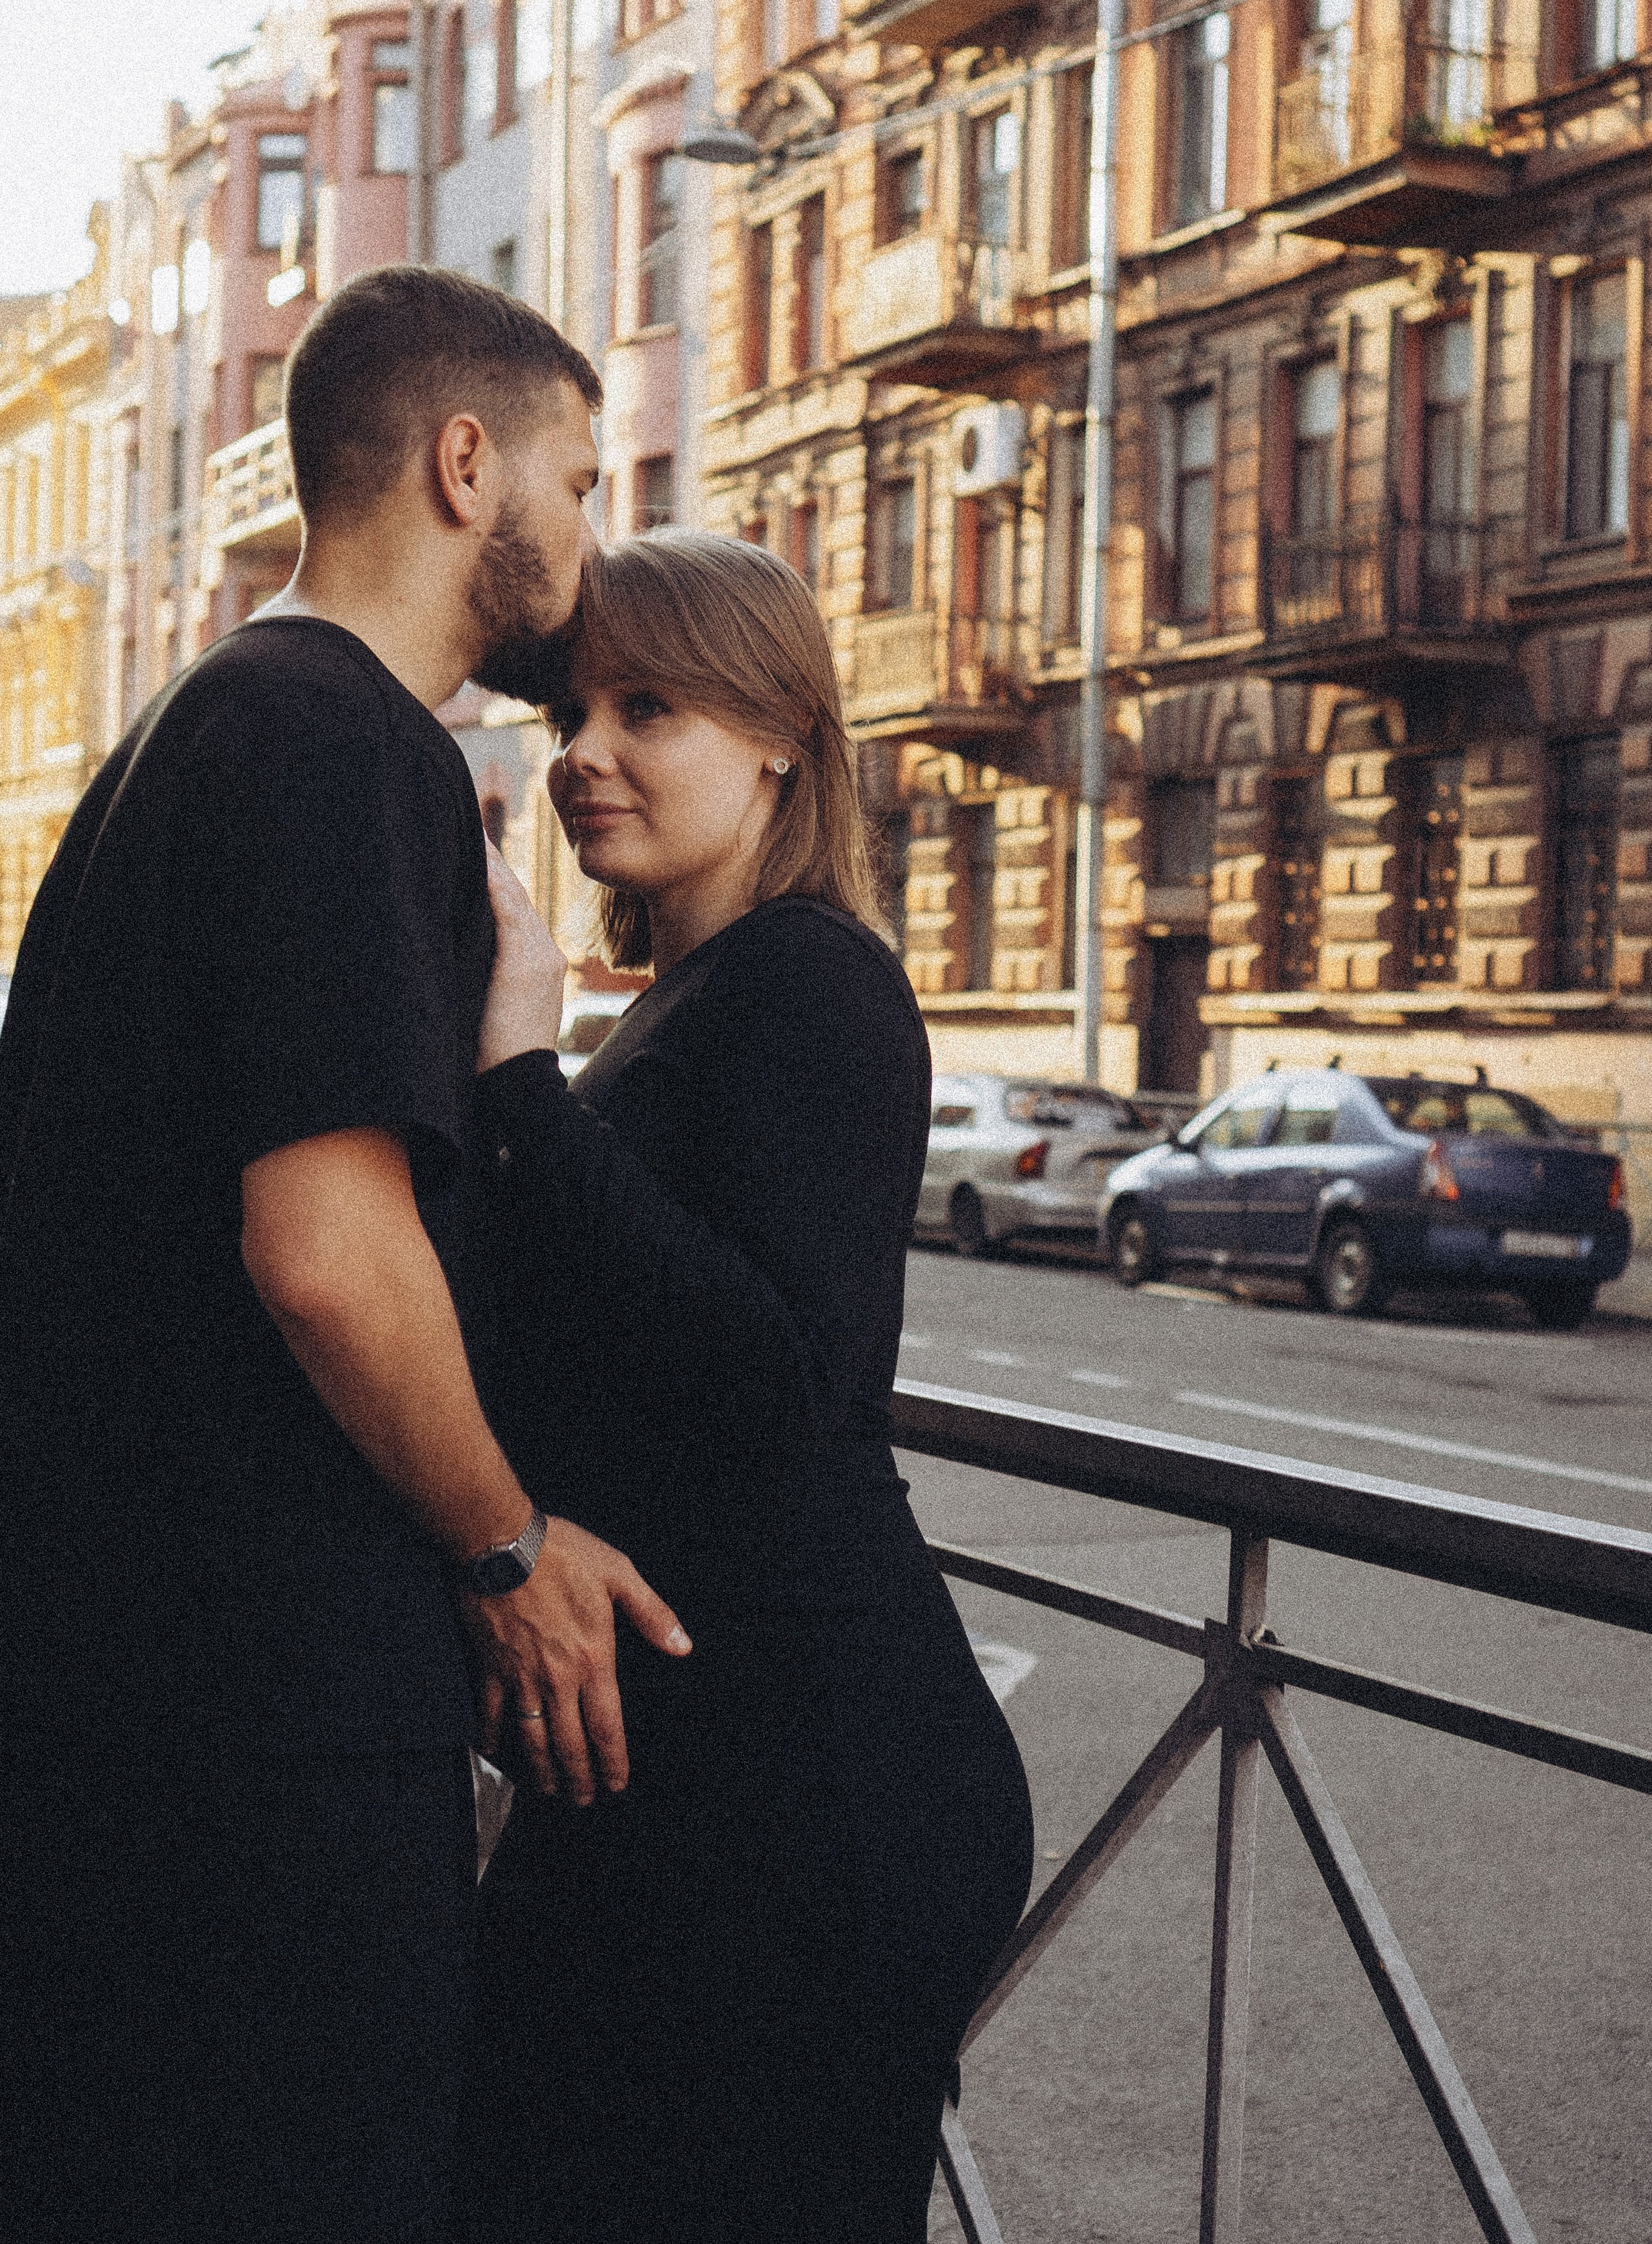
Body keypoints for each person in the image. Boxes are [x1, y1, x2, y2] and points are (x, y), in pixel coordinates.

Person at [0, 268, 689, 2244]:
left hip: (114, 1673)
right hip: (245, 1705)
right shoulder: (342, 748)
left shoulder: (192, 730)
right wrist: (507, 1548)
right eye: (580, 482)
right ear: (468, 467)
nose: (593, 541)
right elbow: (330, 1255)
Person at [463, 528, 1035, 2244]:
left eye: (648, 706)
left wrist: (513, 1079)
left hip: (811, 1806)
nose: (583, 751)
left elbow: (777, 1381)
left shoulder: (812, 983)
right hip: (697, 1787)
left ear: (778, 731)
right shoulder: (692, 997)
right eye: (574, 710)